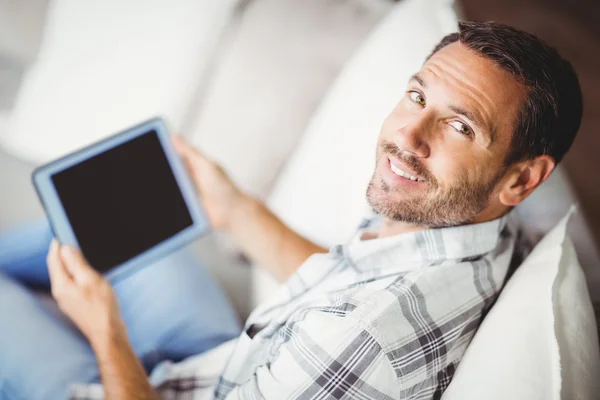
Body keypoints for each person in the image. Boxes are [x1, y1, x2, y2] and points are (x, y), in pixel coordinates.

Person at [0, 20, 582, 400]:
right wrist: (236, 209)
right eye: (417, 95)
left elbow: (359, 328)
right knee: (115, 230)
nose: (409, 136)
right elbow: (346, 286)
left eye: (459, 125)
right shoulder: (477, 226)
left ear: (523, 177)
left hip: (123, 385)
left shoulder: (372, 335)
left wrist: (105, 332)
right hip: (229, 359)